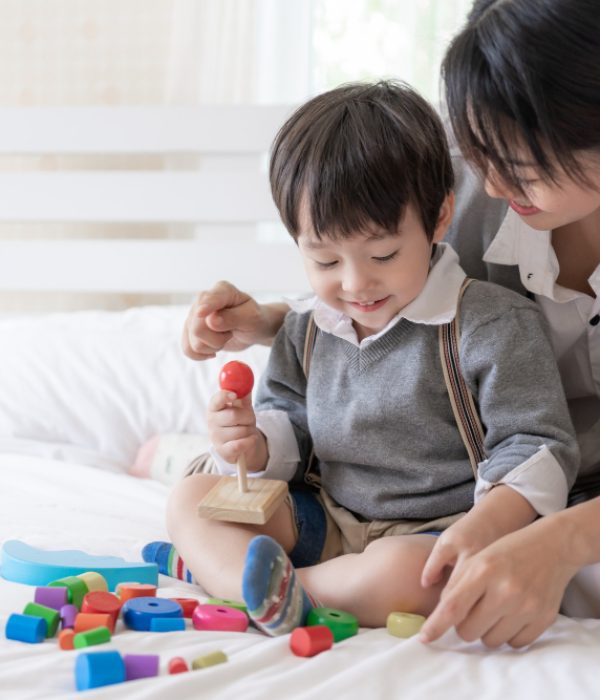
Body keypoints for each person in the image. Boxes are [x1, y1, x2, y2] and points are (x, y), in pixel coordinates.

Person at [181, 0, 600, 648]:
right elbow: (307, 385)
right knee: (192, 490)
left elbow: (530, 443)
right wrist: (273, 331)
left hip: (473, 510)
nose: (488, 182)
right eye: (477, 147)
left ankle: (285, 593)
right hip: (332, 508)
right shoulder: (443, 188)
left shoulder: (491, 320)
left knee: (422, 571)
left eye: (517, 158)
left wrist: (533, 536)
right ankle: (245, 574)